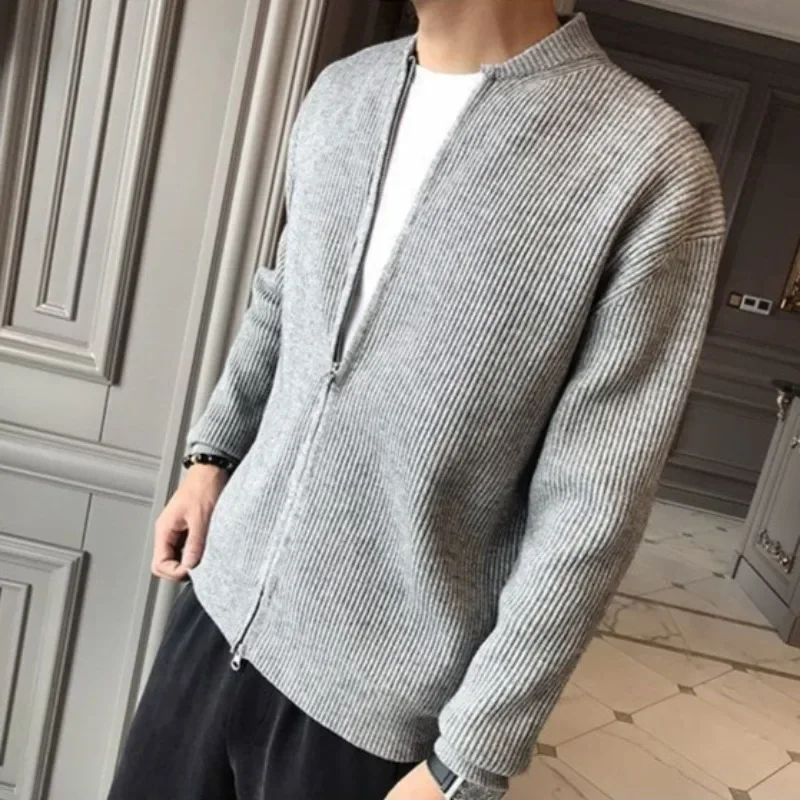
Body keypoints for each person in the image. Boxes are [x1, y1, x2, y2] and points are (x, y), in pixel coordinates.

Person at [108, 2, 726, 799]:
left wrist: (469, 761)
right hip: (215, 610)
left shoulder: (649, 165)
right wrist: (210, 456)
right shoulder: (342, 92)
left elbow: (594, 505)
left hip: (374, 711)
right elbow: (284, 299)